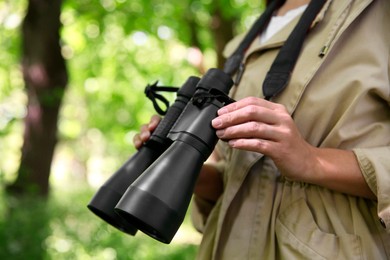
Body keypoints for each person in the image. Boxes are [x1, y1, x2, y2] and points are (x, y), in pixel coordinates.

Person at [134, 0, 390, 258]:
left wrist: (313, 161)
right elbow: (243, 177)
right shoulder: (249, 38)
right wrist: (185, 169)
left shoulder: (377, 14)